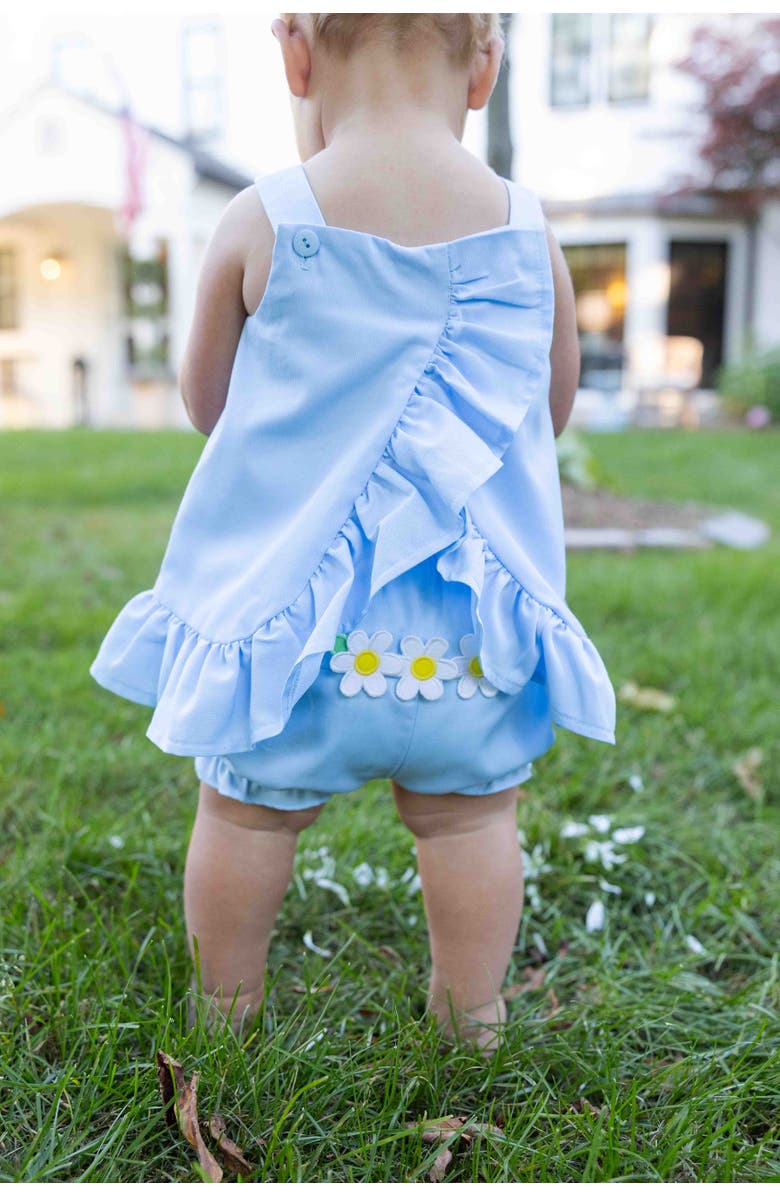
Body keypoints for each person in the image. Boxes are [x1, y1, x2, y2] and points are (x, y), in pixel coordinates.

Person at [90, 13, 617, 1054]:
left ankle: (227, 1008)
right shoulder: (526, 227)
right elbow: (548, 410)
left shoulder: (264, 216)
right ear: (484, 69)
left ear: (296, 57)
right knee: (471, 820)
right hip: (467, 643)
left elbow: (209, 402)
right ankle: (471, 1012)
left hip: (292, 641)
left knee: (245, 817)